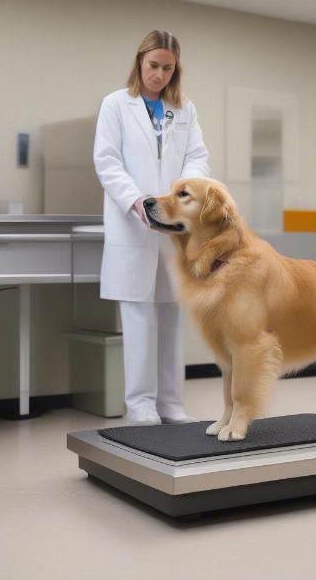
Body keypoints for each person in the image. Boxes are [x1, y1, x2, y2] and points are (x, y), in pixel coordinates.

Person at [93, 30, 210, 425]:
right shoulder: (115, 105)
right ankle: (140, 405)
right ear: (140, 62)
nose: (159, 75)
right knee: (139, 316)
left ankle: (171, 404)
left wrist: (183, 196)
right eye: (153, 66)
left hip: (174, 228)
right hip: (134, 223)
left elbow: (197, 157)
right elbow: (107, 161)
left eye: (167, 68)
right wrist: (137, 201)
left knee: (171, 313)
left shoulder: (184, 109)